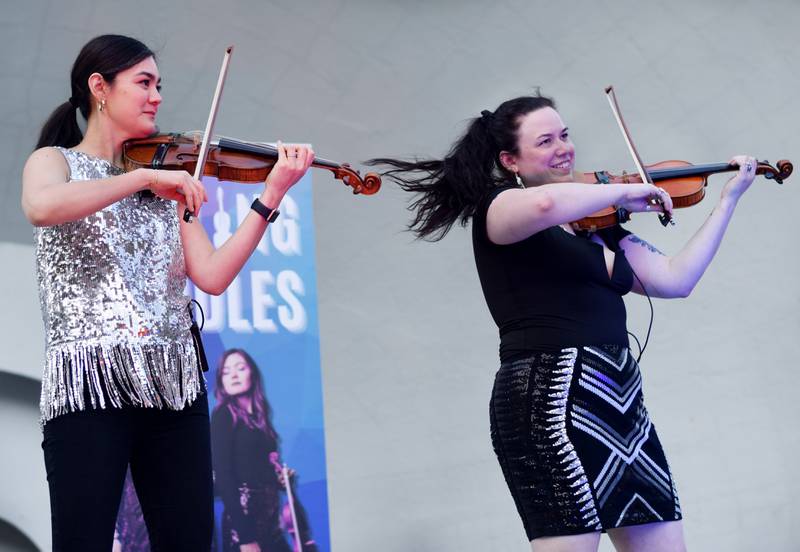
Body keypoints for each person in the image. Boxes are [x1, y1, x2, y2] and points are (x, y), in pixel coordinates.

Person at [369, 92, 756, 552]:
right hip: (547, 403)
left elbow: (675, 279)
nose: (563, 148)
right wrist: (622, 191)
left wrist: (728, 202)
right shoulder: (500, 207)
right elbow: (545, 205)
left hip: (619, 404)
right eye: (545, 141)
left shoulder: (597, 227)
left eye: (565, 135)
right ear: (510, 160)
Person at [21, 34, 314, 552]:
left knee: (188, 540)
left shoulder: (169, 181)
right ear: (99, 88)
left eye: (159, 85)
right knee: (82, 540)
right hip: (90, 384)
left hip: (173, 385)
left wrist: (270, 195)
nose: (157, 96)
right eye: (144, 83)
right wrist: (141, 180)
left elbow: (212, 275)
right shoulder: (56, 161)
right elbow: (42, 207)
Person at [211, 348, 318, 552]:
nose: (233, 375)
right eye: (226, 372)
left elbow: (256, 470)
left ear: (253, 373)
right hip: (243, 524)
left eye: (240, 368)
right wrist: (245, 537)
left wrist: (280, 479)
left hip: (271, 523)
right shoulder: (223, 415)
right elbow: (224, 476)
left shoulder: (261, 419)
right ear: (222, 381)